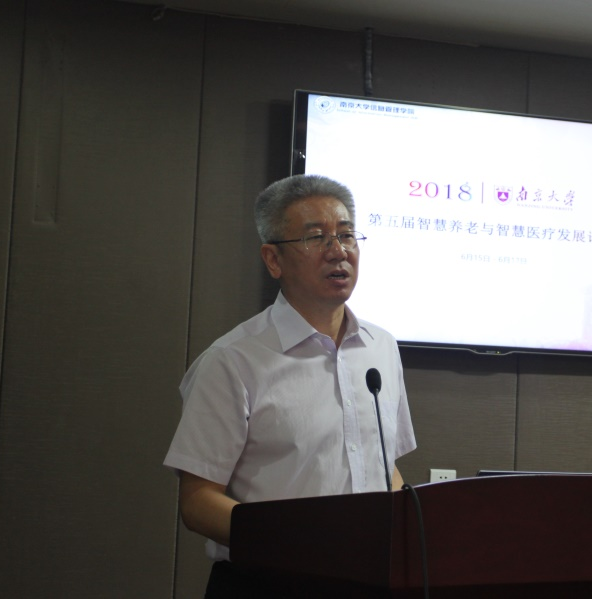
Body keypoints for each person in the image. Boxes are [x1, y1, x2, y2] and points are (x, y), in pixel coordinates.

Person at [164, 174, 417, 597]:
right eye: (316, 238)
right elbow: (198, 501)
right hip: (267, 582)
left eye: (347, 235)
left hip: (368, 581)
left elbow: (383, 465)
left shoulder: (382, 348)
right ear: (273, 260)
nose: (339, 251)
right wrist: (296, 545)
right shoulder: (232, 360)